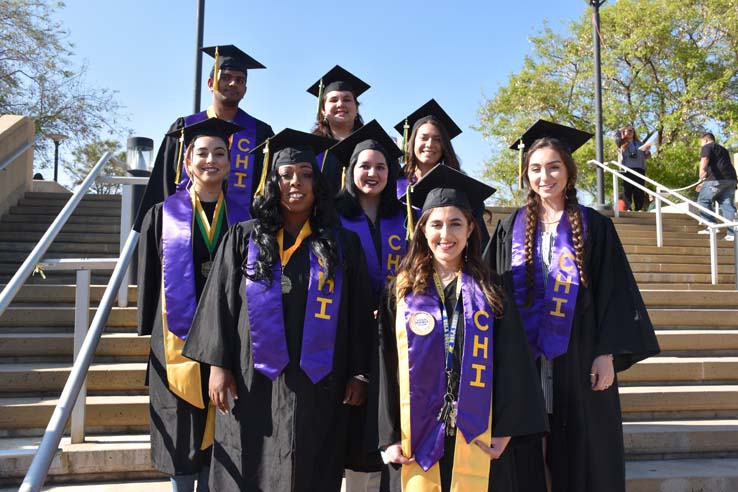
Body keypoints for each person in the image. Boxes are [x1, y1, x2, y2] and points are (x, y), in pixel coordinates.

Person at [181, 128, 374, 491]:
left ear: (318, 183)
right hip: (252, 380)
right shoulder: (243, 238)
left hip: (320, 382)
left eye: (305, 174)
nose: (295, 183)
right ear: (272, 182)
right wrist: (218, 366)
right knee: (248, 462)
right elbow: (221, 303)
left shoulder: (341, 245)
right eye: (285, 175)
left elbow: (359, 314)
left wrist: (360, 374)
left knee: (312, 463)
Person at [489, 120, 660, 492]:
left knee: (583, 452)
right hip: (524, 361)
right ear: (525, 174)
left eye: (553, 167)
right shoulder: (509, 228)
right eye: (535, 168)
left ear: (568, 171)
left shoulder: (594, 226)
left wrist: (607, 354)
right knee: (528, 451)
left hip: (579, 359)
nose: (544, 176)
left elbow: (615, 293)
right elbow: (489, 290)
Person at [378, 164, 548, 492]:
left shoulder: (491, 290)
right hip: (416, 430)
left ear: (470, 229)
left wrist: (505, 428)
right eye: (437, 225)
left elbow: (512, 363)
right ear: (423, 230)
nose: (446, 235)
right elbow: (384, 364)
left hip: (477, 430)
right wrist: (388, 436)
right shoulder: (400, 292)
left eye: (456, 224)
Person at [137, 118, 242, 492]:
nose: (210, 160)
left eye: (219, 153)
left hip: (231, 343)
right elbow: (149, 278)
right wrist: (148, 336)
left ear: (230, 163)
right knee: (181, 433)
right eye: (202, 153)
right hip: (174, 343)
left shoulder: (245, 219)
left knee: (228, 433)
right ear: (186, 162)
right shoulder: (161, 215)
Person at [330, 120, 407, 491]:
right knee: (355, 429)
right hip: (346, 334)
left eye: (380, 167)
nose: (372, 173)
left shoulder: (404, 217)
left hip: (396, 336)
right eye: (364, 166)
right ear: (350, 170)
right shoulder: (332, 214)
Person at [133, 44, 274, 230]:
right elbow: (163, 182)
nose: (233, 83)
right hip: (186, 229)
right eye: (226, 78)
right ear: (210, 84)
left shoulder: (260, 133)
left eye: (240, 80)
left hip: (240, 234)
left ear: (245, 90)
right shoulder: (184, 129)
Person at [394, 99, 490, 245]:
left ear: (444, 145)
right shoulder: (395, 184)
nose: (430, 144)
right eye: (424, 138)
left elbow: (479, 242)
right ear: (412, 142)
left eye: (437, 139)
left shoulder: (458, 187)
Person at [308, 65, 370, 195]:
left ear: (356, 108)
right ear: (323, 110)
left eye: (347, 99)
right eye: (333, 100)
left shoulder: (370, 144)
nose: (340, 104)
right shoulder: (312, 147)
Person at [696, 132, 736, 241]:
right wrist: (704, 183)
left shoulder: (707, 146)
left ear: (705, 140)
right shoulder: (723, 149)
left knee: (703, 200)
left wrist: (702, 171)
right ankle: (732, 234)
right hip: (730, 180)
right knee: (727, 206)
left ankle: (711, 225)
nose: (701, 145)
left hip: (716, 180)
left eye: (701, 142)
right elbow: (721, 165)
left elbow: (705, 159)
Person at [614, 125, 651, 211]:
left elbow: (647, 156)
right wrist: (623, 128)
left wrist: (647, 151)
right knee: (627, 190)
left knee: (639, 190)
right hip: (626, 169)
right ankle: (628, 208)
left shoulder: (639, 143)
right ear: (624, 132)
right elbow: (615, 134)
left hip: (639, 168)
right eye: (628, 131)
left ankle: (639, 208)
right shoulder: (621, 142)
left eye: (632, 131)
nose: (630, 132)